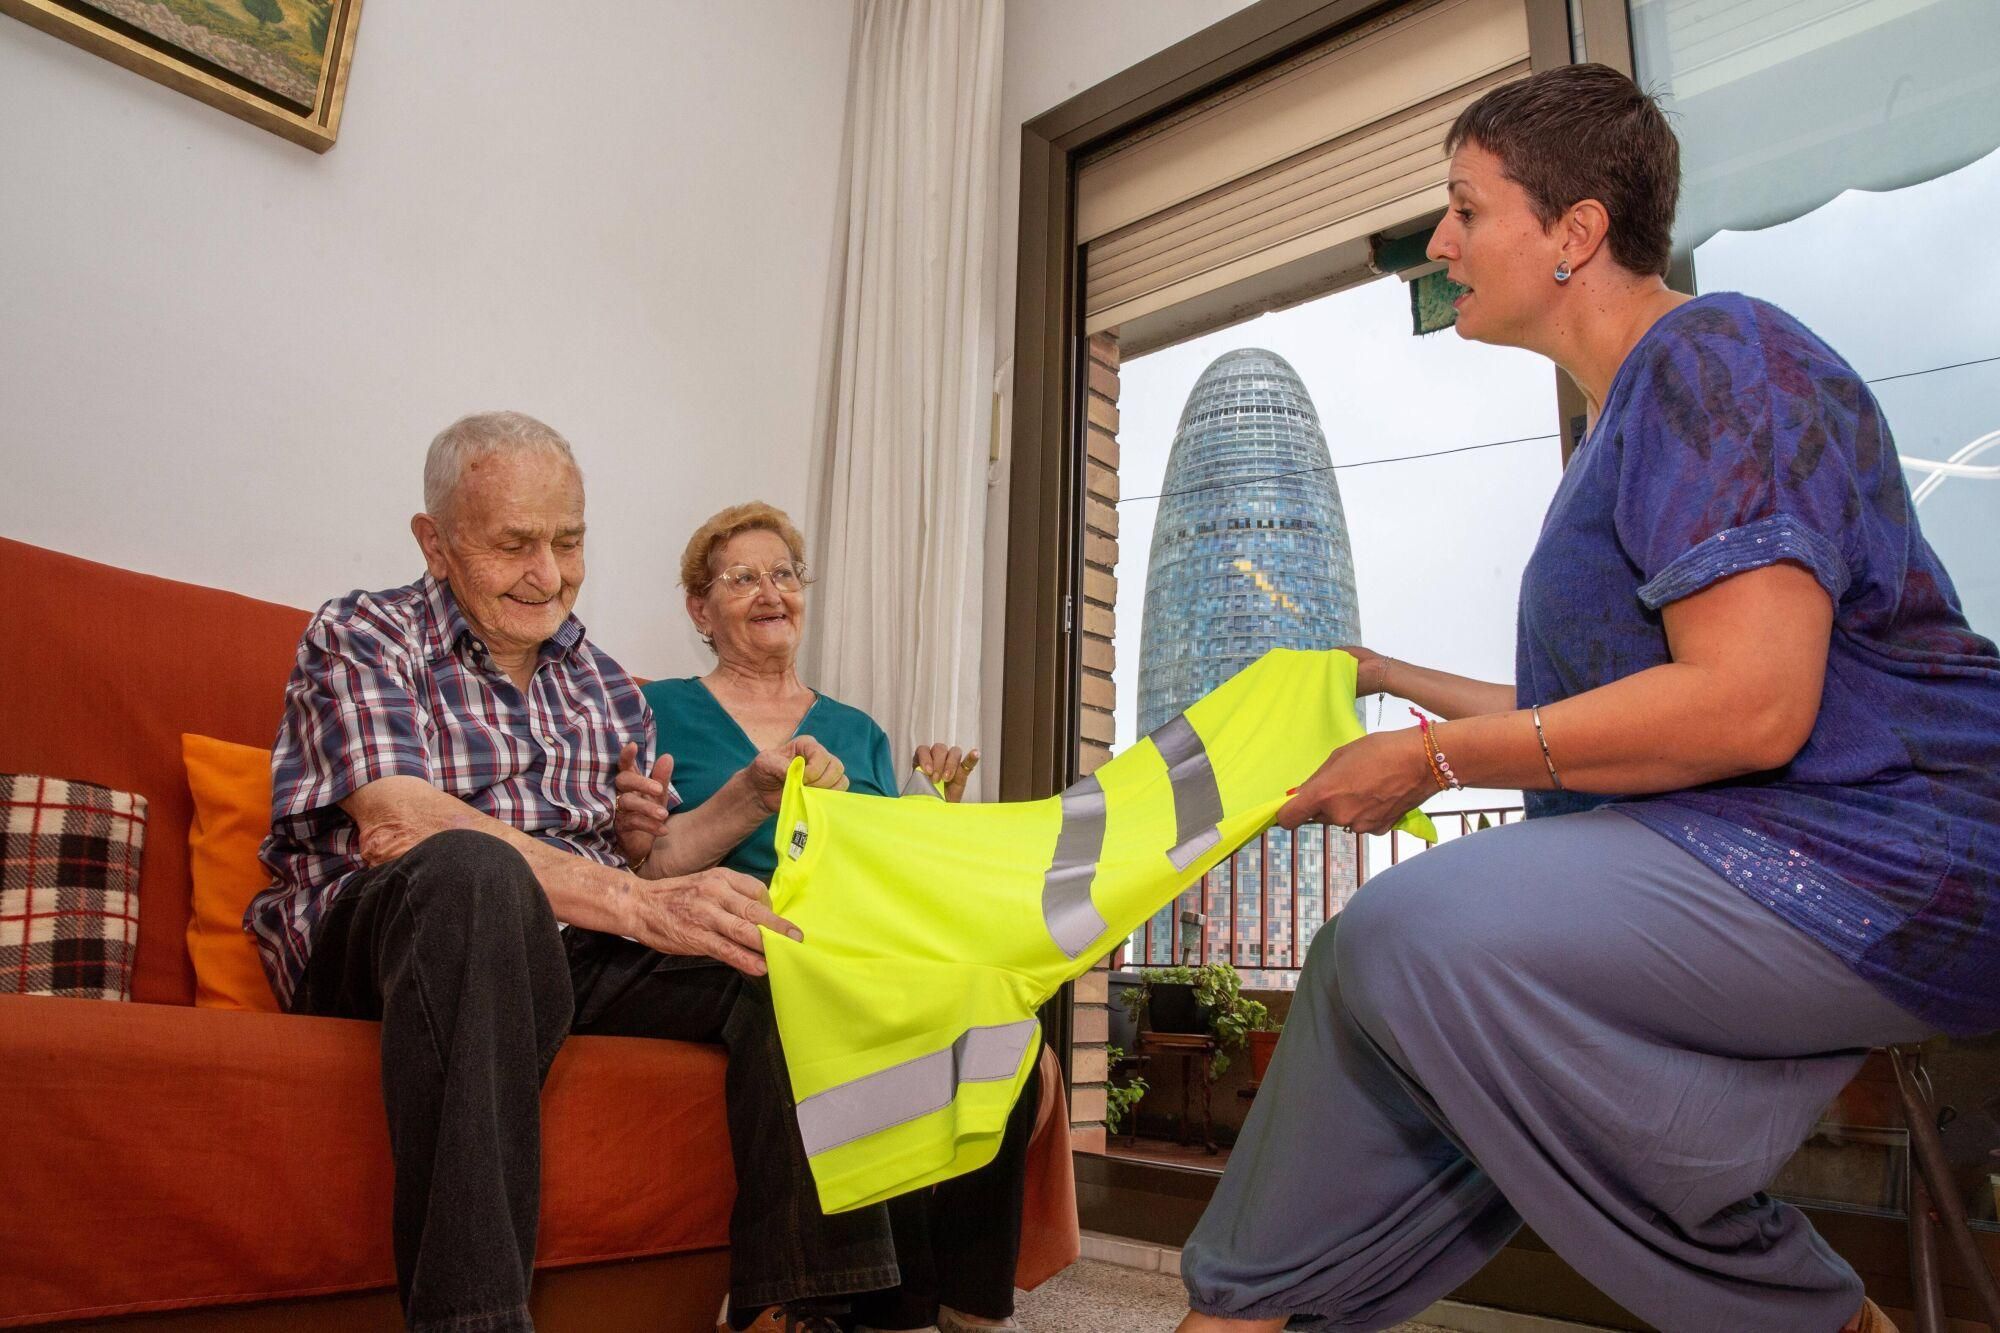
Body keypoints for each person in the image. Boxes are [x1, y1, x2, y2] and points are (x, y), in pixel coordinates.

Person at [1177, 64, 2000, 1333]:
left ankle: (1807, 1312)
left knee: (1403, 940)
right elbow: (1613, 703)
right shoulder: (1619, 422)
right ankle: (1239, 1313)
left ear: (1574, 232)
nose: (1438, 243)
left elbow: (1744, 707)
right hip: (1756, 834)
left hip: (1889, 853)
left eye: (1463, 207)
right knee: (1372, 977)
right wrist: (1385, 678)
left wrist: (1434, 760)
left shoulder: (1717, 355)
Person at [250, 413, 894, 1333]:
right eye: (513, 544)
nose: (548, 575)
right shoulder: (365, 632)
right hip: (393, 936)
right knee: (475, 875)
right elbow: (399, 821)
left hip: (561, 944)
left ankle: (795, 1310)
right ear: (435, 543)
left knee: (777, 950)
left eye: (569, 541)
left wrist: (747, 798)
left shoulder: (600, 682)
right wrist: (633, 898)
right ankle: (475, 1320)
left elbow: (646, 859)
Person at [614, 501, 1032, 1333]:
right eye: (742, 578)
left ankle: (964, 1304)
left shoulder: (858, 732)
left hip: (850, 942)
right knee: (831, 999)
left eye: (785, 574)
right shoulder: (651, 708)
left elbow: (893, 875)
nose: (771, 592)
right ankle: (864, 1306)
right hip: (719, 939)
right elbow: (632, 863)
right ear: (701, 609)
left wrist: (931, 809)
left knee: (997, 997)